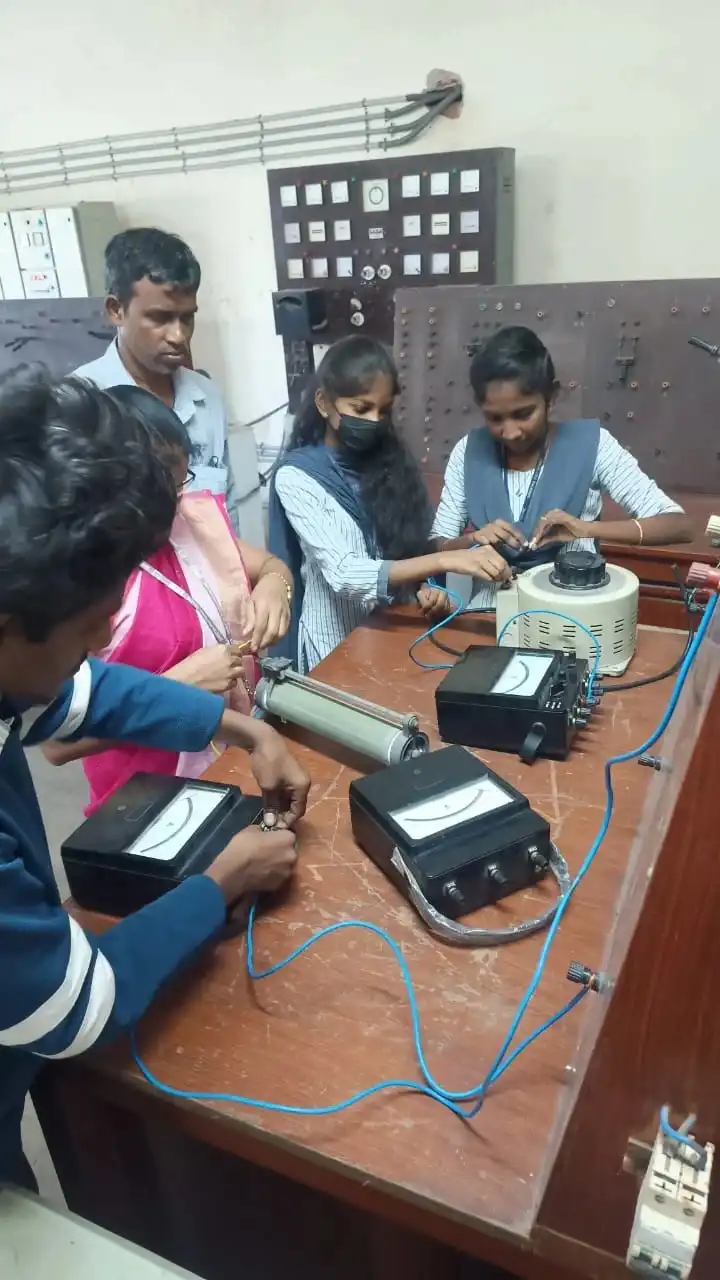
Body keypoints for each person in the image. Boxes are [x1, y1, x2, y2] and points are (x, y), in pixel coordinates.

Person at [0, 367, 310, 1190]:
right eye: (92, 623)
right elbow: (78, 1009)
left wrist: (243, 727)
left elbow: (87, 693)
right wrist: (223, 880)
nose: (106, 636)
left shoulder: (15, 659)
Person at [43, 384, 293, 815]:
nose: (176, 502)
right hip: (144, 799)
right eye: (163, 488)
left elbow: (271, 565)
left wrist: (275, 587)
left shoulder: (191, 523)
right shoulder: (85, 571)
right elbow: (56, 743)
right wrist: (178, 687)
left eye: (181, 483)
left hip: (233, 760)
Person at [268, 336, 510, 671]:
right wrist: (447, 560)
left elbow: (403, 552)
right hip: (334, 643)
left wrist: (423, 589)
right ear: (324, 403)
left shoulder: (390, 467)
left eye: (383, 411)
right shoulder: (297, 477)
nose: (373, 421)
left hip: (393, 638)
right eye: (361, 409)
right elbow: (345, 573)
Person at [432, 326, 692, 607]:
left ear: (552, 396)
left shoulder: (593, 446)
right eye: (495, 418)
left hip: (571, 616)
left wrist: (586, 529)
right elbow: (436, 545)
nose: (511, 432)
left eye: (524, 414)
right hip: (486, 616)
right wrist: (472, 540)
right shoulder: (468, 452)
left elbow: (678, 525)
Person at [73, 227, 240, 529]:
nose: (178, 336)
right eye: (160, 318)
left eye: (187, 318)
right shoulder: (79, 406)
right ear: (116, 310)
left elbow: (228, 516)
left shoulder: (208, 398)